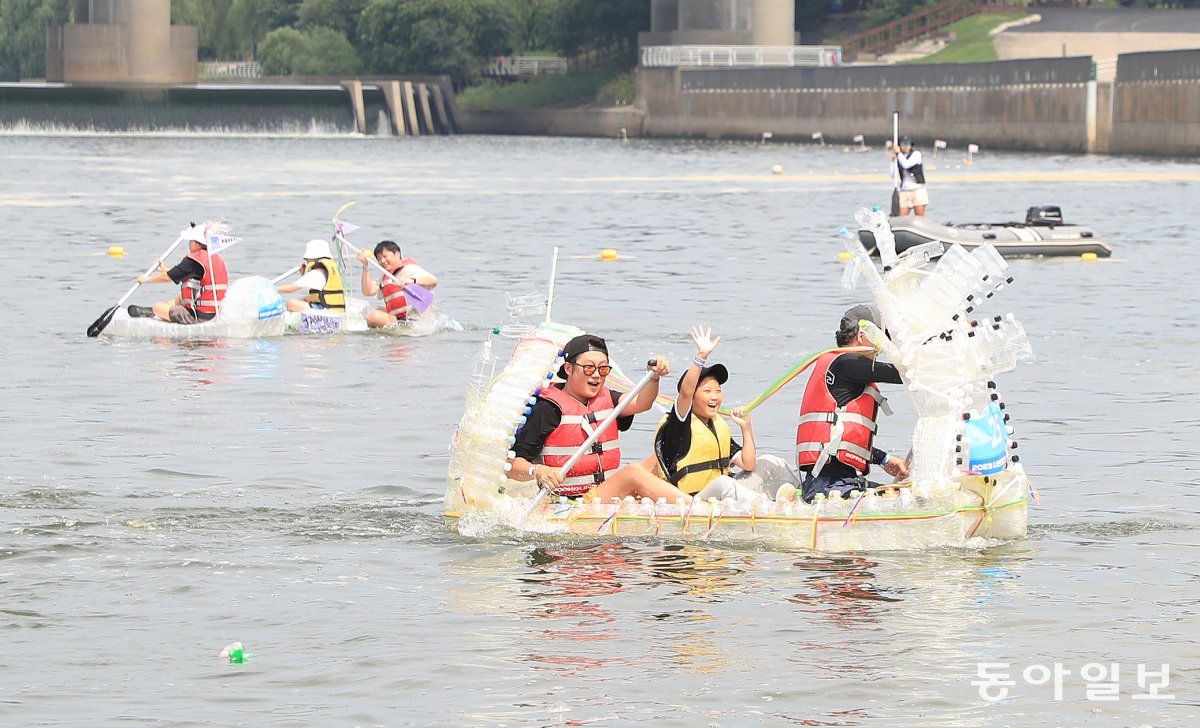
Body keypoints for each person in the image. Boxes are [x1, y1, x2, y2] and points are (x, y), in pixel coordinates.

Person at [509, 333, 690, 503]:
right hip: (570, 502)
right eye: (588, 368)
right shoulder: (546, 408)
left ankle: (695, 499)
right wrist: (538, 470)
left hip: (603, 493)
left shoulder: (608, 398)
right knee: (633, 472)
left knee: (663, 456)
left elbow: (642, 402)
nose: (596, 374)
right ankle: (697, 508)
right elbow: (511, 465)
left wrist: (654, 377)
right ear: (569, 368)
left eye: (603, 369)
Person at [650, 326, 797, 504]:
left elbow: (748, 464)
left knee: (769, 461)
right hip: (691, 502)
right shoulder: (679, 423)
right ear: (693, 397)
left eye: (718, 391)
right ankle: (770, 509)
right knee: (723, 483)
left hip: (721, 498)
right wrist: (701, 357)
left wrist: (746, 427)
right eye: (707, 391)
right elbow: (685, 392)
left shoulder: (717, 426)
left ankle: (804, 503)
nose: (714, 396)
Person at [795, 304, 910, 502]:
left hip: (835, 481)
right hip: (828, 487)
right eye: (879, 341)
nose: (879, 349)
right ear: (862, 336)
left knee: (904, 492)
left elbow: (838, 440)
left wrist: (883, 459)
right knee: (907, 498)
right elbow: (907, 373)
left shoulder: (842, 366)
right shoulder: (847, 363)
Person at [128, 223, 228, 324]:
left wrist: (147, 279)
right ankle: (161, 312)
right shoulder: (216, 258)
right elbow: (182, 273)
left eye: (191, 241)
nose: (189, 244)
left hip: (199, 316)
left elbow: (167, 278)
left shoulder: (194, 261)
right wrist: (164, 269)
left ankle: (156, 312)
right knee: (178, 300)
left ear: (198, 244)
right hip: (215, 312)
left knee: (157, 306)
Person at [357, 240, 438, 328]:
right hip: (399, 319)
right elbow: (367, 292)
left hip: (414, 319)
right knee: (377, 311)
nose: (382, 261)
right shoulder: (385, 278)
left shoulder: (409, 269)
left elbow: (433, 280)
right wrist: (365, 267)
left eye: (385, 256)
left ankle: (401, 327)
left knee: (373, 316)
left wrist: (408, 281)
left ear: (397, 254)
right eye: (379, 259)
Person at [276, 239, 346, 313]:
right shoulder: (326, 271)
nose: (307, 262)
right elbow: (312, 287)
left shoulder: (315, 274)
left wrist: (271, 288)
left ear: (312, 259)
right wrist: (304, 274)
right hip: (334, 309)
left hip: (328, 313)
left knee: (291, 303)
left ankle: (285, 312)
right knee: (306, 298)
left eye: (307, 260)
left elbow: (289, 289)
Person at [891, 136, 928, 216]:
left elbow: (906, 164)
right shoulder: (899, 157)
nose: (906, 146)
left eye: (908, 144)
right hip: (905, 191)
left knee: (920, 217)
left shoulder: (916, 154)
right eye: (903, 144)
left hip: (917, 190)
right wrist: (893, 160)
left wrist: (898, 154)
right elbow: (892, 174)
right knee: (901, 217)